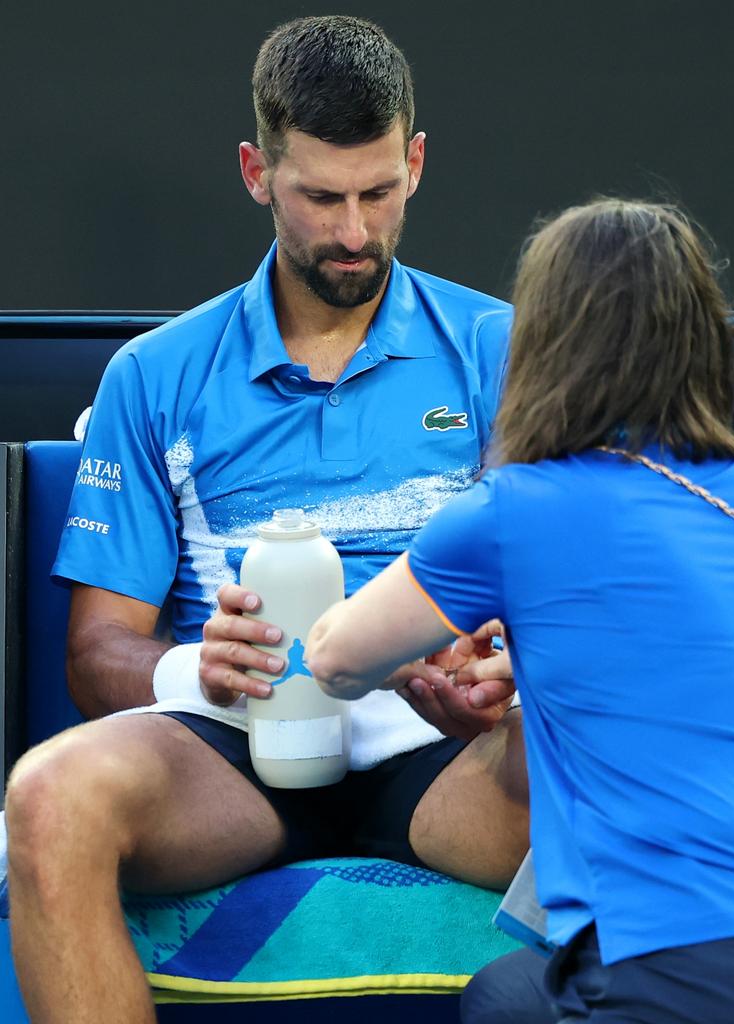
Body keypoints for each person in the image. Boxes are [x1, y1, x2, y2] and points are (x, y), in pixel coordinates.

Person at [3, 16, 541, 1024]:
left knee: (653, 777)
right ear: (258, 172)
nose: (353, 233)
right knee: (48, 796)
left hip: (440, 749)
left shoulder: (500, 345)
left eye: (379, 194)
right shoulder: (154, 374)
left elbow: (552, 584)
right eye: (320, 196)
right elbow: (95, 656)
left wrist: (499, 659)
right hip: (231, 750)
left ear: (416, 163)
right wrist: (194, 669)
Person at [306, 199, 734, 1023]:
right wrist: (536, 655)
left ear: (545, 346)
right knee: (507, 995)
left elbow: (337, 660)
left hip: (667, 968)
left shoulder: (513, 510)